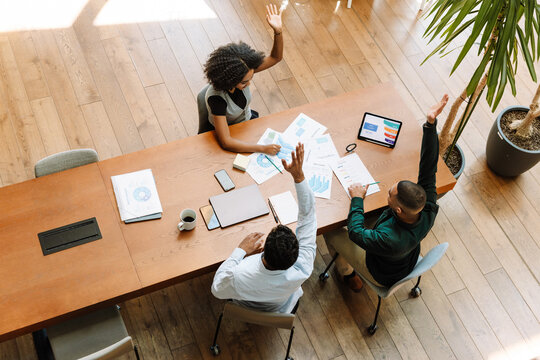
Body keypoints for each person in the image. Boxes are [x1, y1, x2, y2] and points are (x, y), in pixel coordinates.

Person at [324, 94, 449, 292]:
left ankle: (347, 272)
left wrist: (357, 199)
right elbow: (428, 166)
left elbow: (355, 233)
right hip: (403, 258)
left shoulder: (389, 239)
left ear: (398, 210)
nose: (388, 191)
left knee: (329, 230)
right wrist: (430, 124)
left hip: (381, 271)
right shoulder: (427, 207)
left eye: (390, 193)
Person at [211, 143, 316, 313]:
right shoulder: (303, 267)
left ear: (262, 250)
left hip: (245, 306)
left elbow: (217, 289)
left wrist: (241, 252)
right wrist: (299, 177)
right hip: (280, 308)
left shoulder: (239, 274)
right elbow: (309, 216)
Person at [202, 4, 284, 155]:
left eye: (250, 78)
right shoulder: (217, 99)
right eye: (244, 82)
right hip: (230, 133)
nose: (249, 84)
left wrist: (278, 31)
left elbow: (275, 57)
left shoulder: (244, 70)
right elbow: (226, 142)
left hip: (246, 122)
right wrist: (262, 149)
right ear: (230, 81)